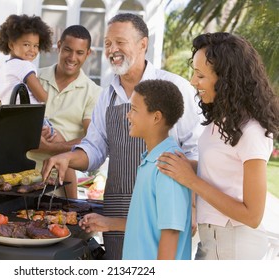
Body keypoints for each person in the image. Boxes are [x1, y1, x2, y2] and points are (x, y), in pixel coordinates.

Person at [42, 13, 203, 259]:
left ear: (143, 44)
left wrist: (191, 205)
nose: (112, 49)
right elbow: (95, 148)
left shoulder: (174, 88)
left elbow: (194, 151)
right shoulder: (107, 96)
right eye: (107, 43)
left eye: (120, 42)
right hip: (116, 206)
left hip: (161, 205)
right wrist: (68, 158)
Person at [156, 32, 279, 260]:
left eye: (200, 75)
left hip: (234, 246)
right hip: (212, 241)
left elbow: (253, 215)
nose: (193, 82)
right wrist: (183, 166)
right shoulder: (220, 121)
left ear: (226, 79)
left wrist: (191, 179)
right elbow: (220, 173)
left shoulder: (252, 132)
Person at [28, 25, 102, 198]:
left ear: (88, 53)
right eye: (67, 50)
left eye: (79, 52)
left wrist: (52, 147)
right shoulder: (34, 78)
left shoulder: (93, 92)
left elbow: (91, 138)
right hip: (20, 179)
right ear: (59, 45)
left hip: (59, 189)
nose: (72, 57)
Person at [122, 79, 191, 260]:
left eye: (134, 110)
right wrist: (108, 223)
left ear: (156, 117)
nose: (128, 115)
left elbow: (171, 232)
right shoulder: (150, 160)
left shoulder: (169, 164)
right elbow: (146, 224)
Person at [0, 14, 53, 105]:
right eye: (26, 44)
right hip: (28, 117)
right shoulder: (24, 66)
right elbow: (42, 97)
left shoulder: (2, 68)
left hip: (10, 116)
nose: (32, 50)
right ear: (11, 45)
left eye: (36, 46)